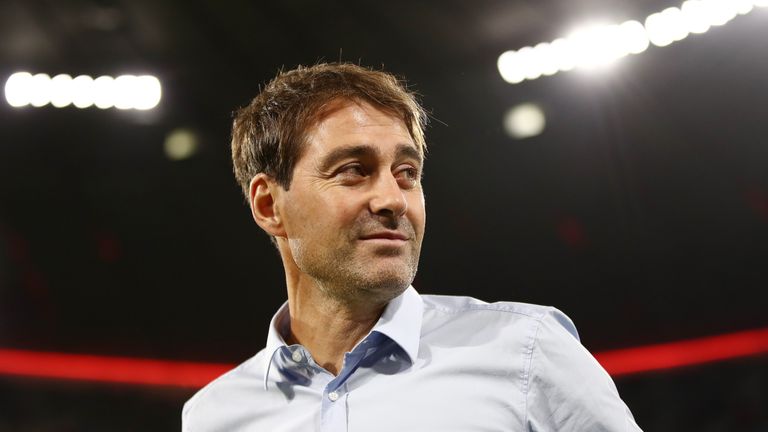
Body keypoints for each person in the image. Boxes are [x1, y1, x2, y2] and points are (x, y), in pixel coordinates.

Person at [182, 63, 642, 431]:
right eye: (353, 170)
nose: (393, 200)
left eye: (407, 173)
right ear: (268, 205)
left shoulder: (527, 351)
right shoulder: (212, 417)